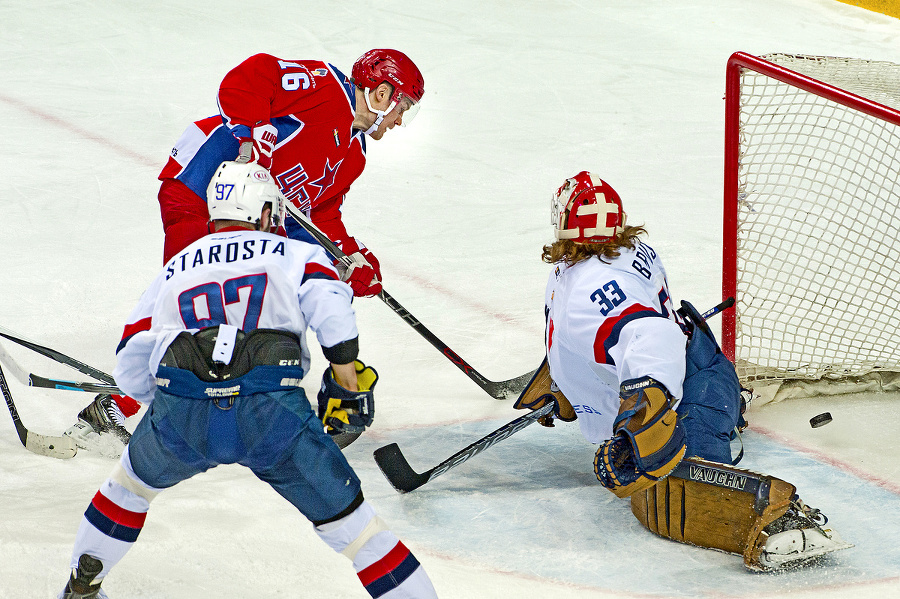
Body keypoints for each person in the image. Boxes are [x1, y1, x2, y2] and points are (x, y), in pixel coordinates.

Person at [58, 161, 438, 599]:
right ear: (263, 213)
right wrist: (345, 379)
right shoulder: (295, 254)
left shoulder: (177, 266)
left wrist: (163, 409)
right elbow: (334, 317)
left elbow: (129, 360)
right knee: (360, 533)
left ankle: (82, 586)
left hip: (183, 410)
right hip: (271, 413)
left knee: (127, 490)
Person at [66, 48, 425, 454]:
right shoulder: (325, 87)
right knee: (194, 304)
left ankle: (198, 400)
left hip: (245, 223)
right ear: (380, 94)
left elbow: (315, 216)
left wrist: (348, 258)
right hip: (199, 189)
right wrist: (252, 132)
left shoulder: (354, 155)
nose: (399, 122)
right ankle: (112, 406)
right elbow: (253, 75)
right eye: (403, 108)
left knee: (242, 312)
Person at [514, 171, 851, 570]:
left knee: (675, 486)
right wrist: (570, 378)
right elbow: (605, 334)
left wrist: (644, 413)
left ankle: (784, 522)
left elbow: (651, 337)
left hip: (692, 385)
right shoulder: (622, 253)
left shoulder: (590, 282)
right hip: (686, 357)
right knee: (655, 474)